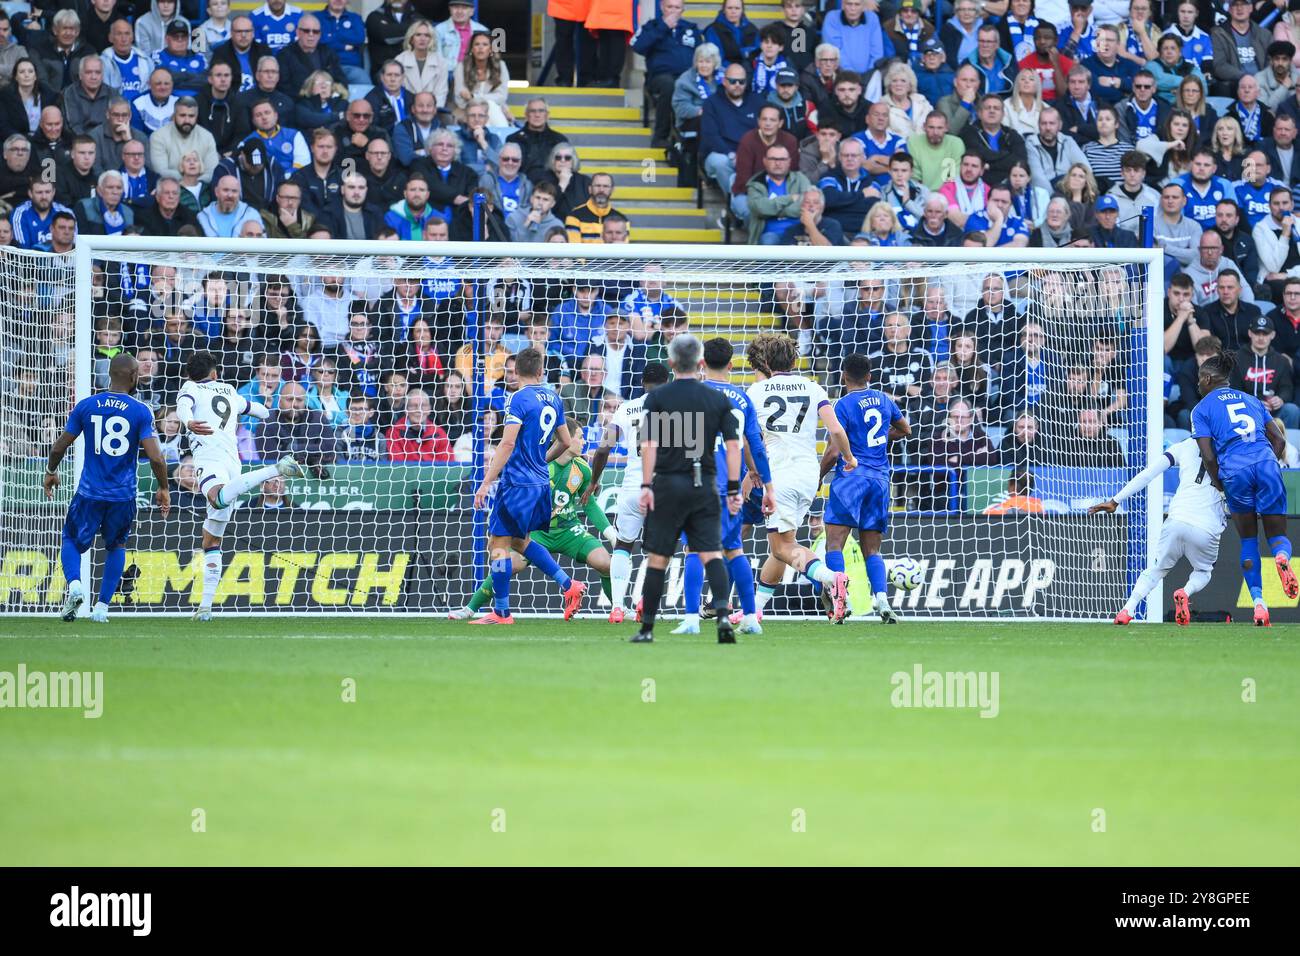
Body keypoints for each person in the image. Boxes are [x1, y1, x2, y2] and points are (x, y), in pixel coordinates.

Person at [175, 351, 309, 621]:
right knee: (211, 539)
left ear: (191, 375)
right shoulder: (229, 391)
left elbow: (184, 406)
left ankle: (275, 469)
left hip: (210, 460)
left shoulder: (190, 387)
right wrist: (261, 404)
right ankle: (205, 608)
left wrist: (188, 421)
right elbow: (262, 411)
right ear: (215, 373)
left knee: (216, 499)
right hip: (232, 465)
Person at [630, 334, 745, 644]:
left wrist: (645, 484)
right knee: (711, 553)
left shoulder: (656, 399)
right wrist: (734, 488)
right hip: (704, 485)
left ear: (671, 363)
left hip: (668, 484)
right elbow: (734, 447)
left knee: (658, 559)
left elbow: (648, 444)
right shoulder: (718, 399)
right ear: (701, 363)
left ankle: (647, 629)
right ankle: (722, 619)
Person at [42, 353, 171, 623]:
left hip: (89, 492)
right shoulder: (140, 411)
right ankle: (102, 608)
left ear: (111, 375)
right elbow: (157, 457)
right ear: (134, 376)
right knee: (117, 545)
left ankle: (76, 585)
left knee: (71, 541)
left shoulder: (87, 405)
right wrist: (163, 488)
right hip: (123, 495)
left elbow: (58, 446)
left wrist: (51, 471)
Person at [470, 347, 585, 625]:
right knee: (520, 541)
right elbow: (566, 442)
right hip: (539, 482)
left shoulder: (517, 399)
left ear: (515, 371)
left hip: (517, 483)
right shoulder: (554, 398)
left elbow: (507, 443)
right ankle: (569, 585)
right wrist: (540, 459)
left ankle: (501, 612)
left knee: (498, 543)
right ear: (540, 371)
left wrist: (486, 482)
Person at [744, 331, 854, 621]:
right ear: (795, 359)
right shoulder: (813, 387)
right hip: (808, 475)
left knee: (782, 547)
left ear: (766, 361)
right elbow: (836, 430)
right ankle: (755, 610)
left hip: (778, 475)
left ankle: (831, 578)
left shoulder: (756, 392)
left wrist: (751, 471)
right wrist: (849, 458)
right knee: (782, 545)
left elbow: (748, 437)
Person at [453, 432, 617, 618]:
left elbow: (589, 504)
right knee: (510, 563)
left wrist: (610, 533)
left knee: (605, 563)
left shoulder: (582, 469)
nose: (584, 441)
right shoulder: (540, 466)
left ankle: (618, 608)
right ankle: (471, 609)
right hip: (538, 530)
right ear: (565, 440)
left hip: (569, 529)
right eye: (579, 436)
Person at [672, 338, 773, 636]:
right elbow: (754, 443)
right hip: (729, 485)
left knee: (693, 550)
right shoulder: (742, 400)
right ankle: (751, 618)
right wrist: (765, 484)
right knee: (734, 550)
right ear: (731, 365)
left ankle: (691, 619)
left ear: (702, 363)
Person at [1192, 350, 1298, 627]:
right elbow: (1279, 439)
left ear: (1207, 379)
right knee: (1277, 534)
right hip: (1265, 463)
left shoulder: (1201, 409)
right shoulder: (1252, 399)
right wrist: (1267, 464)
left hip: (1235, 472)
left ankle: (1260, 606)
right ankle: (1282, 557)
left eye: (1198, 381)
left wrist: (1220, 485)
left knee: (1249, 540)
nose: (1197, 385)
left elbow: (1209, 456)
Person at [1091, 434, 1226, 625]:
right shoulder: (1231, 449)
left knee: (1155, 570)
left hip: (1177, 518)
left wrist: (1115, 500)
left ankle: (1127, 609)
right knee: (1203, 571)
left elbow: (1148, 474)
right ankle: (1185, 592)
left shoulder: (1183, 446)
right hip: (1207, 525)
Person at [819, 351, 907, 624]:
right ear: (869, 376)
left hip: (851, 479)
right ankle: (882, 600)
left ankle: (839, 601)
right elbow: (905, 430)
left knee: (834, 544)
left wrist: (817, 476)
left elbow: (835, 451)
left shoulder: (842, 405)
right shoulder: (883, 398)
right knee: (873, 550)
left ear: (844, 375)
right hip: (880, 481)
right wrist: (881, 439)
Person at [586, 363, 669, 623]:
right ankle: (647, 601)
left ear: (643, 383)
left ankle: (618, 607)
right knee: (660, 549)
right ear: (668, 382)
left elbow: (602, 449)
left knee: (623, 545)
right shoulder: (678, 407)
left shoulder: (626, 407)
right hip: (664, 489)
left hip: (633, 487)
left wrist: (593, 481)